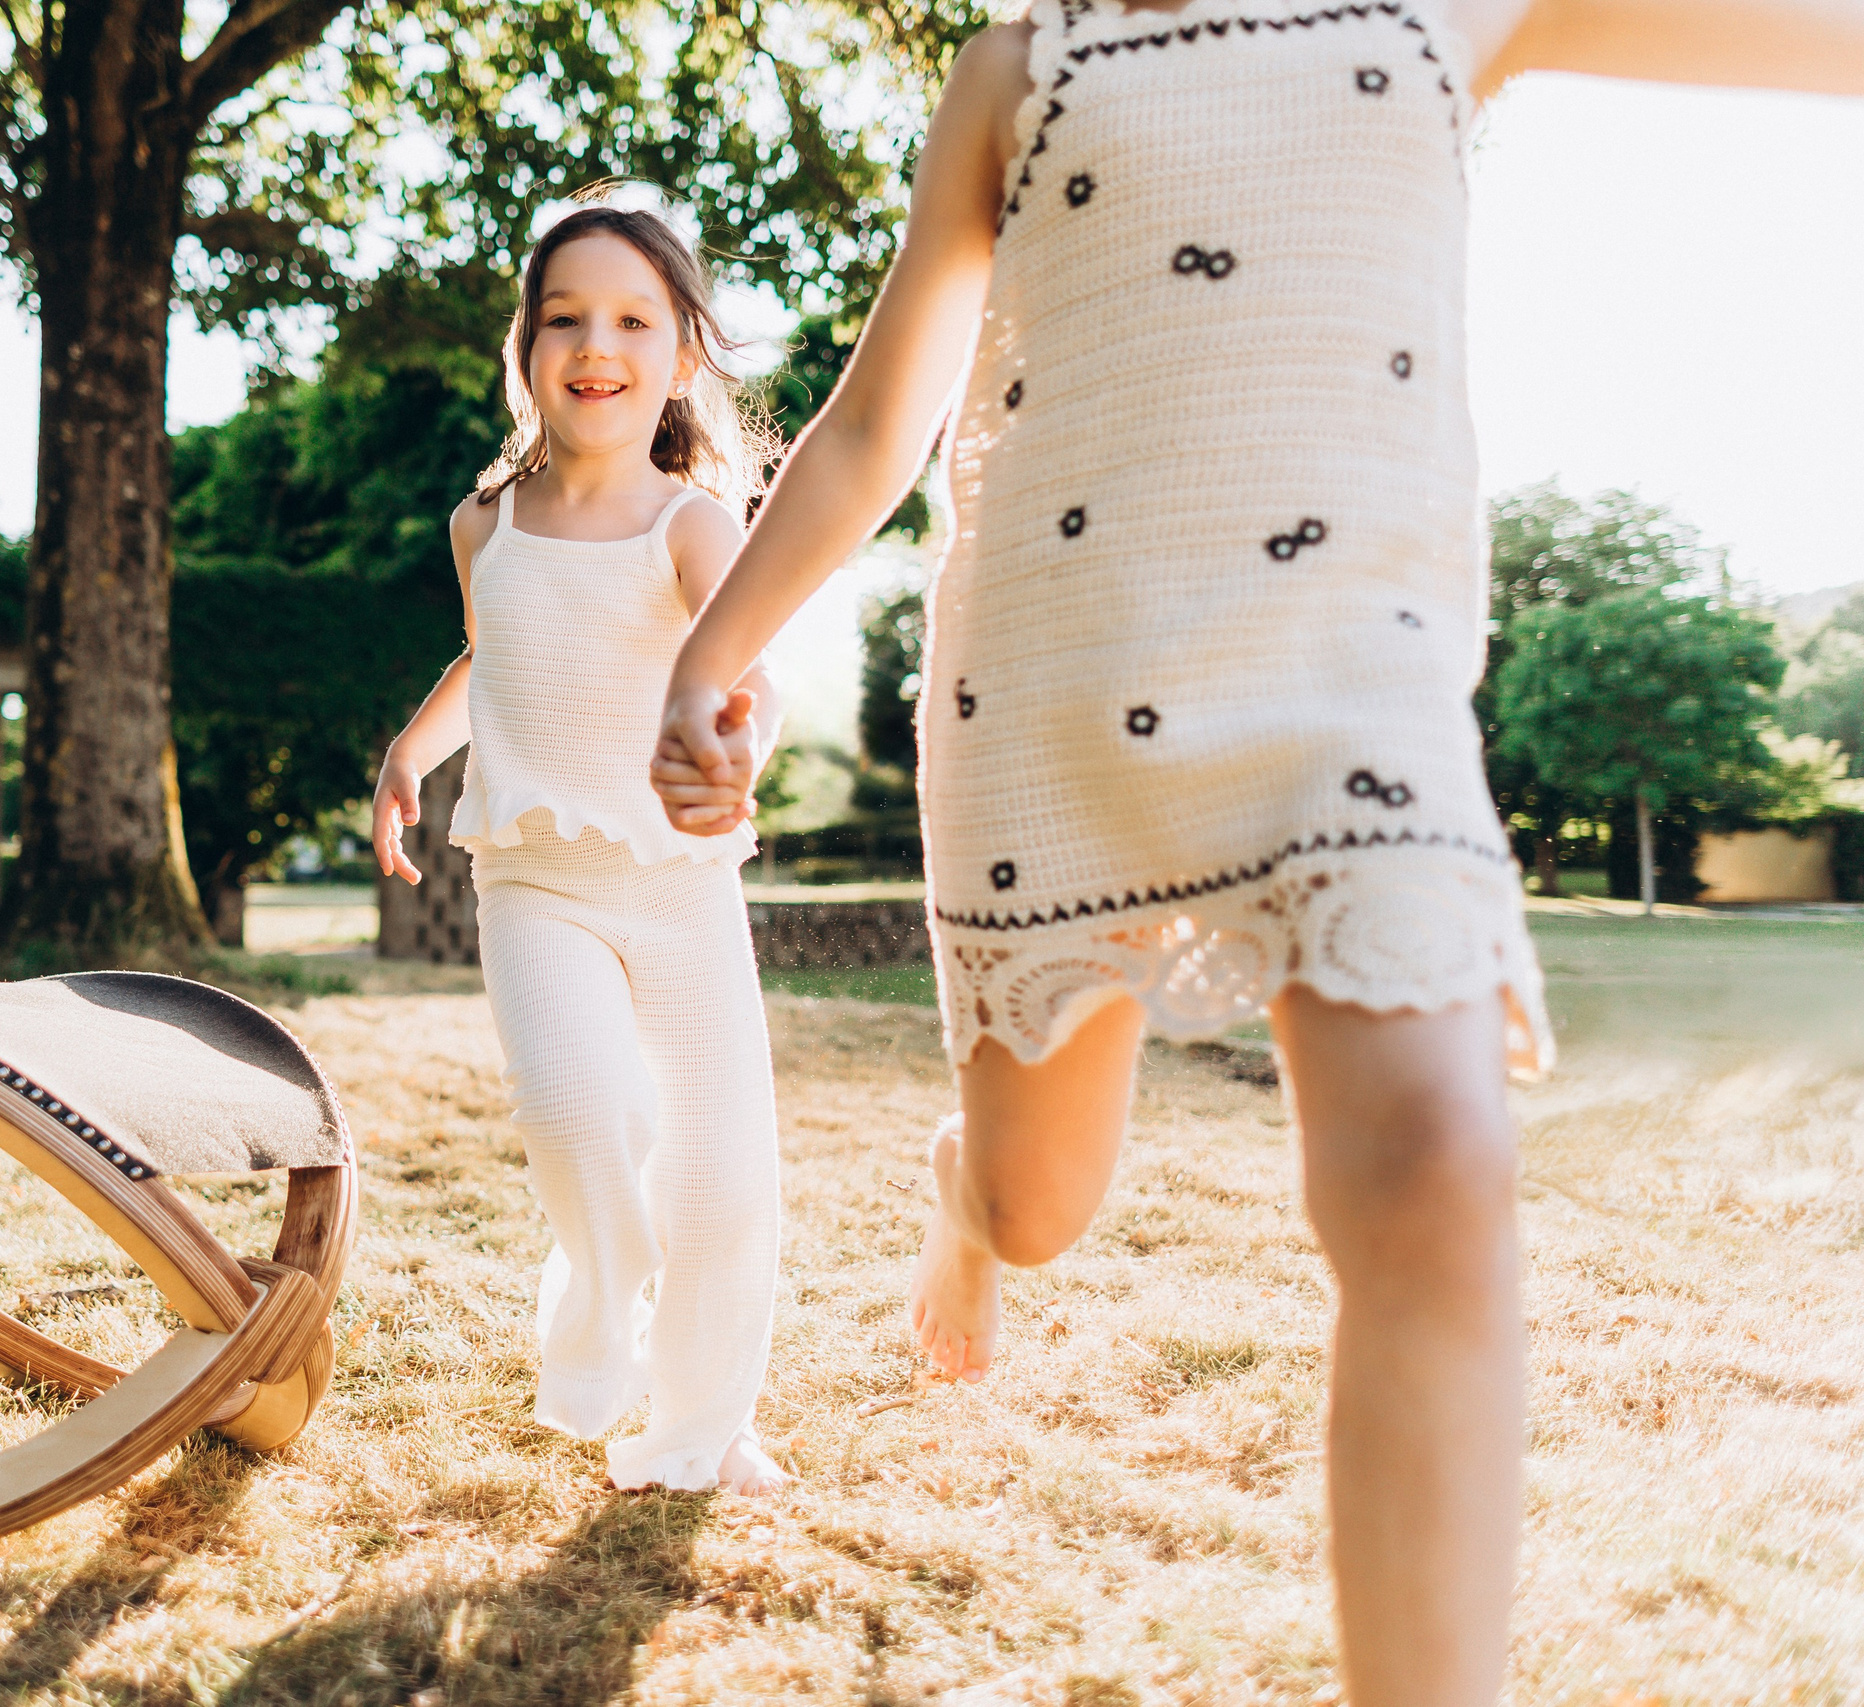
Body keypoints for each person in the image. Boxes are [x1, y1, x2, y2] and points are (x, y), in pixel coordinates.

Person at [650, 0, 1864, 1698]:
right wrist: (711, 659)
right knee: (1036, 1200)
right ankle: (963, 1193)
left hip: (1352, 690)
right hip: (1060, 692)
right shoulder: (1023, 67)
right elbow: (877, 427)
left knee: (1441, 1175)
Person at [371, 189, 792, 1496]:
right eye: (564, 317)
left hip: (676, 886)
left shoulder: (691, 524)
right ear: (526, 348)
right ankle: (604, 1318)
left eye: (631, 318)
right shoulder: (484, 524)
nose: (594, 343)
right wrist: (409, 754)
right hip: (537, 886)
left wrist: (737, 759)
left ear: (678, 355)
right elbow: (497, 654)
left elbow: (753, 685)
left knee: (723, 1171)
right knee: (582, 1116)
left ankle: (703, 1431)